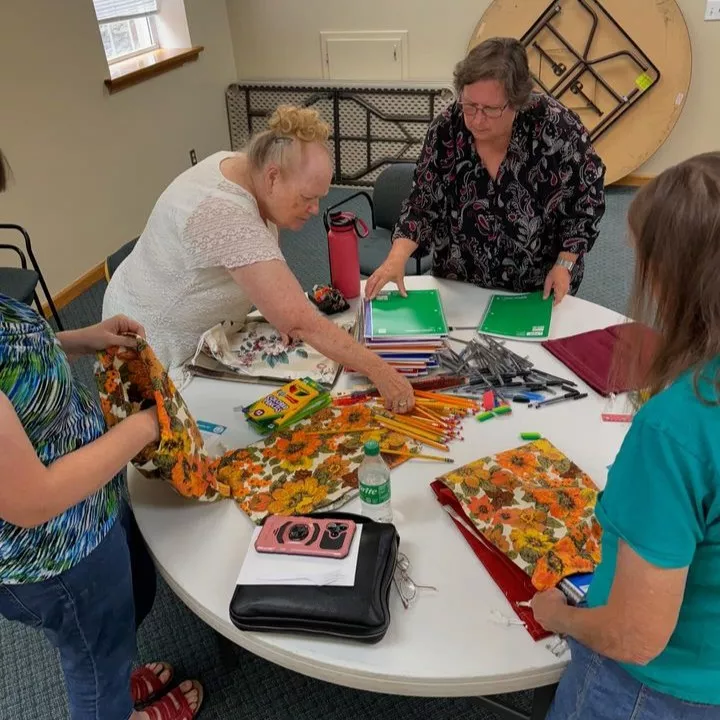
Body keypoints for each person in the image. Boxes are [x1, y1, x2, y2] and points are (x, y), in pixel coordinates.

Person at [0, 148, 203, 720]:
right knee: (92, 666)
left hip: (84, 510)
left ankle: (117, 677)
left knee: (108, 639)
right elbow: (31, 500)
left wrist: (78, 338)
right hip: (52, 554)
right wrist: (142, 427)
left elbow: (11, 353)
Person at [531, 152, 720, 718]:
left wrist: (556, 615)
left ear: (676, 275)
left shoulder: (677, 425)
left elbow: (635, 637)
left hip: (653, 690)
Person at [103, 106, 415, 414]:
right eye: (308, 198)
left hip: (190, 329)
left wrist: (279, 305)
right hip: (145, 344)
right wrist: (382, 372)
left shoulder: (248, 167)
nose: (316, 209)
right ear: (273, 177)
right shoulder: (224, 213)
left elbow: (266, 247)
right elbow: (299, 321)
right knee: (172, 448)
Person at [365, 37, 606, 306]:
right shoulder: (447, 129)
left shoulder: (558, 129)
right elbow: (423, 204)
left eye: (491, 109)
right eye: (470, 105)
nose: (477, 120)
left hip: (536, 284)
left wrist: (565, 263)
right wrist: (395, 259)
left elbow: (586, 202)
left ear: (518, 101)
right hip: (461, 279)